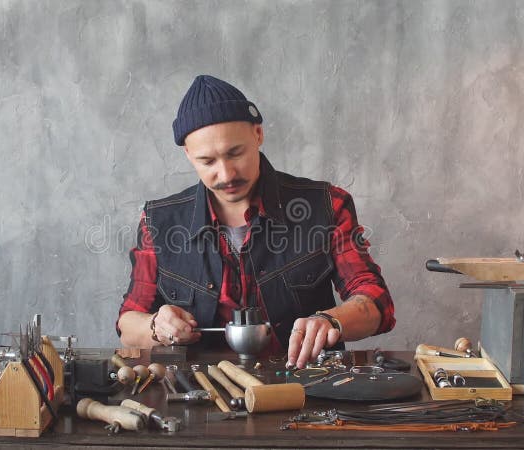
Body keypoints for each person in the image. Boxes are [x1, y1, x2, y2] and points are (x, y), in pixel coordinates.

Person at [117, 75, 395, 368]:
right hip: (200, 396)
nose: (225, 175)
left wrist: (332, 321)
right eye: (207, 161)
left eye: (235, 153)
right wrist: (155, 326)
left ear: (258, 135)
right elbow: (127, 325)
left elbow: (376, 301)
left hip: (307, 389)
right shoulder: (158, 220)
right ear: (188, 154)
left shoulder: (327, 205)